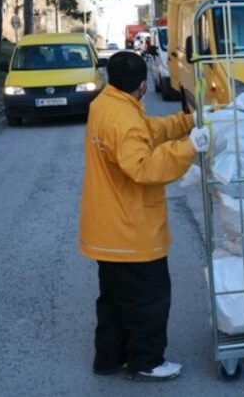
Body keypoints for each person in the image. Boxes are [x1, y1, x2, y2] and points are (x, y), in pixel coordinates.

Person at [78, 51, 210, 381]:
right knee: (148, 299)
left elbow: (145, 131)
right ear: (142, 85)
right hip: (130, 231)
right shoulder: (123, 118)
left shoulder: (106, 105)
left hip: (107, 230)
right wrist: (188, 148)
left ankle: (109, 358)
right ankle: (147, 361)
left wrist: (185, 123)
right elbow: (143, 166)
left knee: (113, 300)